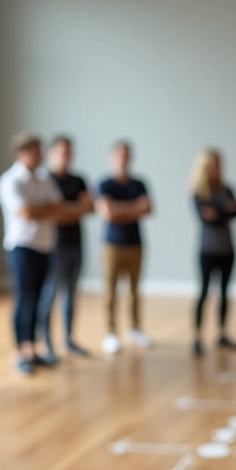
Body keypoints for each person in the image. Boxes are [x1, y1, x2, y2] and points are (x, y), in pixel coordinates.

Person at [0, 133, 69, 375]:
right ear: (22, 152)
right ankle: (21, 350)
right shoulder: (11, 180)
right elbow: (26, 212)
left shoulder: (43, 177)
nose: (40, 156)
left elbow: (59, 208)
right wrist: (45, 210)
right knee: (24, 299)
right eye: (36, 151)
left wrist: (43, 210)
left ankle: (33, 349)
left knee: (39, 301)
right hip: (22, 246)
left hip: (45, 245)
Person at [36, 135, 94, 359]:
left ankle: (69, 339)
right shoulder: (45, 180)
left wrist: (64, 210)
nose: (66, 156)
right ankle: (47, 343)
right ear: (51, 153)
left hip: (75, 244)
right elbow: (53, 214)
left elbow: (89, 208)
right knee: (49, 295)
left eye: (69, 151)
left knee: (71, 294)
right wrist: (73, 210)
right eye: (62, 151)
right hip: (53, 246)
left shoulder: (78, 179)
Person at [97, 141, 153, 355]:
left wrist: (120, 208)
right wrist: (133, 208)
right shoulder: (105, 184)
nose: (123, 158)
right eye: (119, 155)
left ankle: (135, 329)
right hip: (112, 245)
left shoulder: (139, 183)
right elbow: (108, 213)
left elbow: (148, 208)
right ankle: (111, 333)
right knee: (110, 292)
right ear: (112, 157)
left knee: (135, 291)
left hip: (136, 243)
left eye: (127, 155)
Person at [189, 148, 236, 357]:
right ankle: (197, 336)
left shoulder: (227, 189)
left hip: (228, 249)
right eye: (214, 164)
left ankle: (222, 333)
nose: (218, 168)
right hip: (207, 249)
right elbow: (207, 218)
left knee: (224, 292)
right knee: (204, 292)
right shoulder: (198, 192)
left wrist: (219, 212)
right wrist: (225, 212)